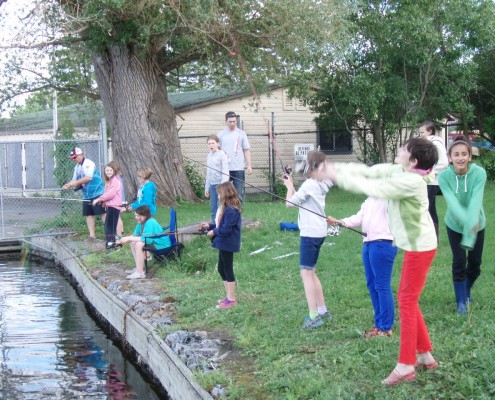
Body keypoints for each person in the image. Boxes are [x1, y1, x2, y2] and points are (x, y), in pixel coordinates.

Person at [318, 137, 439, 386]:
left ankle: (406, 365)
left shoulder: (412, 181)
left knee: (406, 300)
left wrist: (334, 175)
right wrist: (335, 169)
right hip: (415, 246)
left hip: (421, 247)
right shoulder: (401, 171)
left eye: (403, 149)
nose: (398, 151)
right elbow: (371, 172)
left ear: (413, 160)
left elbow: (375, 188)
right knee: (409, 299)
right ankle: (425, 354)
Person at [328, 196, 398, 338]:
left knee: (382, 285)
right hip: (368, 244)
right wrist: (341, 222)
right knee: (372, 285)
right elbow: (358, 218)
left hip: (383, 243)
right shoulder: (369, 200)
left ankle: (386, 327)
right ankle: (379, 324)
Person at [281, 150, 334, 330]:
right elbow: (300, 200)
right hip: (319, 231)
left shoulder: (310, 184)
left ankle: (313, 316)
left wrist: (289, 188)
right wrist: (292, 185)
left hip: (310, 233)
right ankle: (322, 310)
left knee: (306, 273)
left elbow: (289, 203)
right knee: (311, 272)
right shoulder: (322, 182)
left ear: (311, 166)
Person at [438, 136, 486, 314]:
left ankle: (466, 289)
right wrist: (465, 227)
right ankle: (461, 302)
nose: (460, 158)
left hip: (477, 224)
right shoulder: (444, 177)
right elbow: (452, 203)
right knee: (459, 261)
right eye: (456, 154)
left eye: (464, 154)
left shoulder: (479, 174)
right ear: (450, 158)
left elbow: (475, 201)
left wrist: (471, 226)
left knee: (475, 263)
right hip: (454, 225)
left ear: (470, 157)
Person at [201, 181, 242, 309]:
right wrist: (211, 226)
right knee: (221, 269)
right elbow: (221, 225)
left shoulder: (232, 210)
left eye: (219, 194)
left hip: (228, 243)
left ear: (225, 194)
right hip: (223, 242)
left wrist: (213, 232)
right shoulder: (226, 208)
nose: (218, 196)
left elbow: (226, 230)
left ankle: (232, 299)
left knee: (227, 269)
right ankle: (228, 296)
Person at [116, 205, 171, 279]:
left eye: (138, 216)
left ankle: (140, 273)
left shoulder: (150, 222)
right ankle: (139, 267)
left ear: (145, 216)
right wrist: (122, 240)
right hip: (154, 242)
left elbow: (146, 239)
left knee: (139, 244)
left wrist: (129, 238)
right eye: (135, 216)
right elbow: (134, 236)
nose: (136, 218)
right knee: (133, 242)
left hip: (162, 245)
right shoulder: (140, 223)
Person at [62, 147, 106, 239]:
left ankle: (109, 234)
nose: (74, 159)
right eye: (72, 158)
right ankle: (92, 235)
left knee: (102, 212)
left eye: (75, 157)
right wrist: (68, 185)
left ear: (80, 155)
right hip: (86, 194)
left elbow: (88, 178)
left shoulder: (88, 163)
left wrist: (76, 183)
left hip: (97, 192)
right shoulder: (77, 167)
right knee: (88, 214)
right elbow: (74, 180)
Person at [419, 121, 449, 240]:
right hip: (428, 182)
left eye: (422, 132)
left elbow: (444, 162)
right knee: (426, 209)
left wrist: (428, 172)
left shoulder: (435, 143)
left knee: (430, 208)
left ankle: (433, 239)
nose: (420, 134)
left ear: (430, 131)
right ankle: (428, 237)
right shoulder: (428, 143)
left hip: (433, 182)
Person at [217, 111, 253, 202]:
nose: (232, 124)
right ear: (226, 121)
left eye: (234, 121)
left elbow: (246, 150)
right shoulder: (221, 135)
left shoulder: (241, 134)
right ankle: (223, 213)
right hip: (225, 168)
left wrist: (249, 165)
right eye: (230, 122)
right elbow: (217, 151)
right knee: (223, 193)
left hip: (238, 169)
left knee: (238, 194)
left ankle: (238, 214)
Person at [93, 162, 125, 248]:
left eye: (110, 170)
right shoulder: (111, 180)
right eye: (107, 170)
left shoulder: (115, 180)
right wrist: (104, 202)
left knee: (110, 225)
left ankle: (111, 243)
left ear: (114, 171)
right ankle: (111, 242)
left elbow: (111, 194)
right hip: (111, 206)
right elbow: (108, 194)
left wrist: (99, 199)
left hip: (114, 207)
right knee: (108, 224)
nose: (108, 172)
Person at [205, 134, 229, 222]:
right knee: (213, 208)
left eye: (213, 143)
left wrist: (222, 189)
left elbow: (225, 172)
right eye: (209, 143)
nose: (211, 145)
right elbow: (208, 173)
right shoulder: (209, 156)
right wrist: (207, 187)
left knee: (221, 208)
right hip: (212, 185)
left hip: (220, 185)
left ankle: (221, 226)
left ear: (218, 144)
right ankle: (214, 226)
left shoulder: (222, 155)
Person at [107, 160, 125, 236]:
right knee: (118, 217)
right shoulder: (118, 177)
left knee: (117, 217)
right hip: (119, 199)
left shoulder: (116, 178)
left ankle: (120, 233)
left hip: (118, 200)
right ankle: (121, 231)